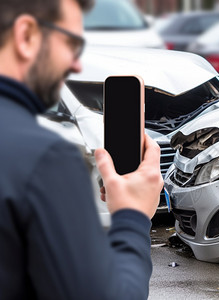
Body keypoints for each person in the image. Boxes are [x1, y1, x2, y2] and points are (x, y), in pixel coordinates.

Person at [0, 0, 164, 299]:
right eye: (70, 44)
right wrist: (133, 215)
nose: (76, 65)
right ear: (26, 36)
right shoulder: (44, 158)